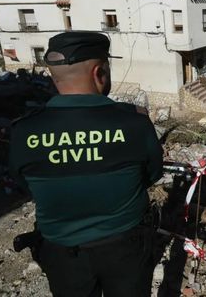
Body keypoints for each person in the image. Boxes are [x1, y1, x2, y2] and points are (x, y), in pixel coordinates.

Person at [9, 32, 163, 297]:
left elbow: (24, 184)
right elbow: (151, 175)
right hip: (125, 249)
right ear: (99, 73)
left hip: (61, 253)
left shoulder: (23, 130)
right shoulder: (134, 123)